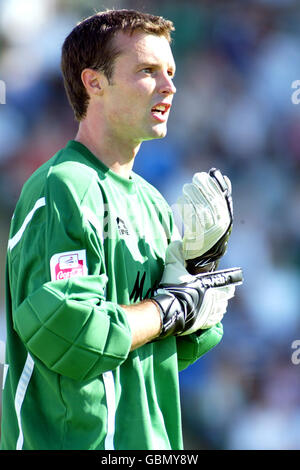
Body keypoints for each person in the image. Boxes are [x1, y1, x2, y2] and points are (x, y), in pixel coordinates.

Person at [0, 9, 241, 451]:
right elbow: (70, 334)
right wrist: (167, 309)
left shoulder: (152, 202)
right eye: (147, 71)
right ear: (94, 83)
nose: (169, 86)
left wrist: (196, 285)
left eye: (170, 72)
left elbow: (163, 353)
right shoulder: (63, 187)